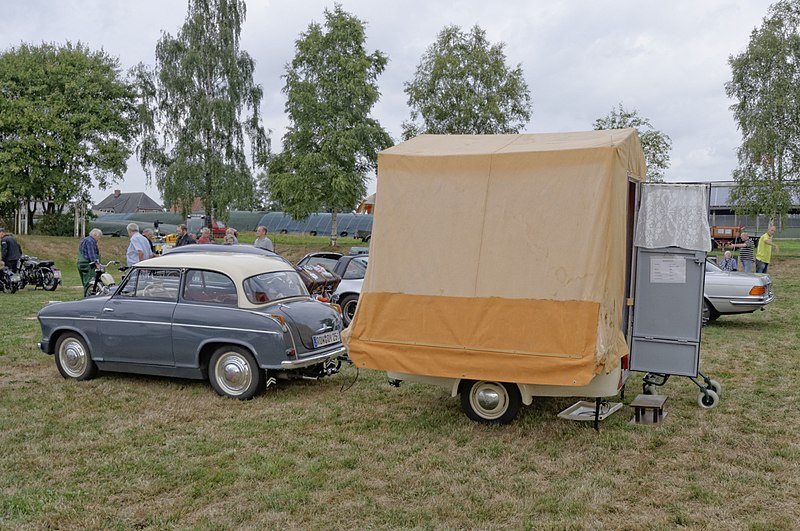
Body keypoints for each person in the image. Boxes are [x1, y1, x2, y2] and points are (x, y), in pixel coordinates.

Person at [77, 229, 103, 293]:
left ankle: (86, 293)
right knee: (90, 282)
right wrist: (97, 264)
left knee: (85, 281)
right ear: (94, 235)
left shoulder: (84, 240)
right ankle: (88, 295)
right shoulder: (91, 241)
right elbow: (91, 254)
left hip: (80, 262)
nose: (98, 239)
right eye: (99, 237)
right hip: (87, 264)